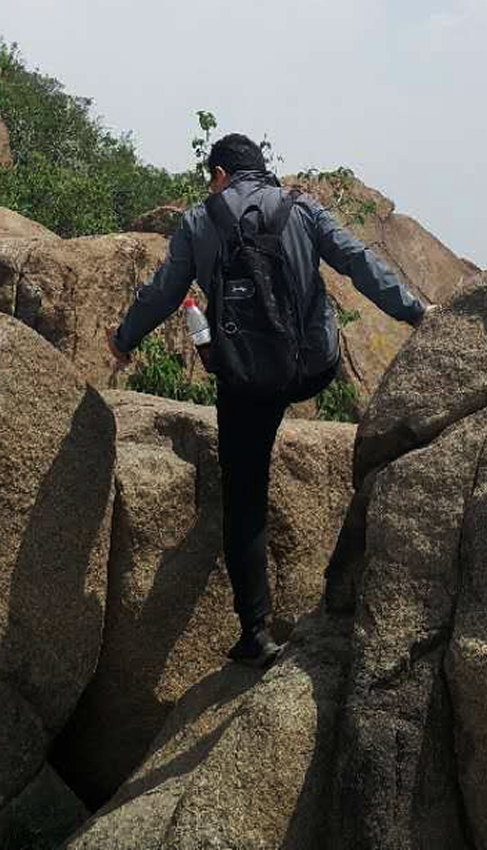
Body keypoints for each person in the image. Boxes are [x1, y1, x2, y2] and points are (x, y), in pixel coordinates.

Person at [107, 133, 428, 667]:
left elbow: (164, 291)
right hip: (312, 369)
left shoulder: (198, 220)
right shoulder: (303, 208)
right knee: (283, 385)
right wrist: (416, 313)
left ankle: (254, 631)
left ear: (219, 176)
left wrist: (123, 340)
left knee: (245, 493)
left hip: (246, 380)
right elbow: (356, 261)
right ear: (261, 172)